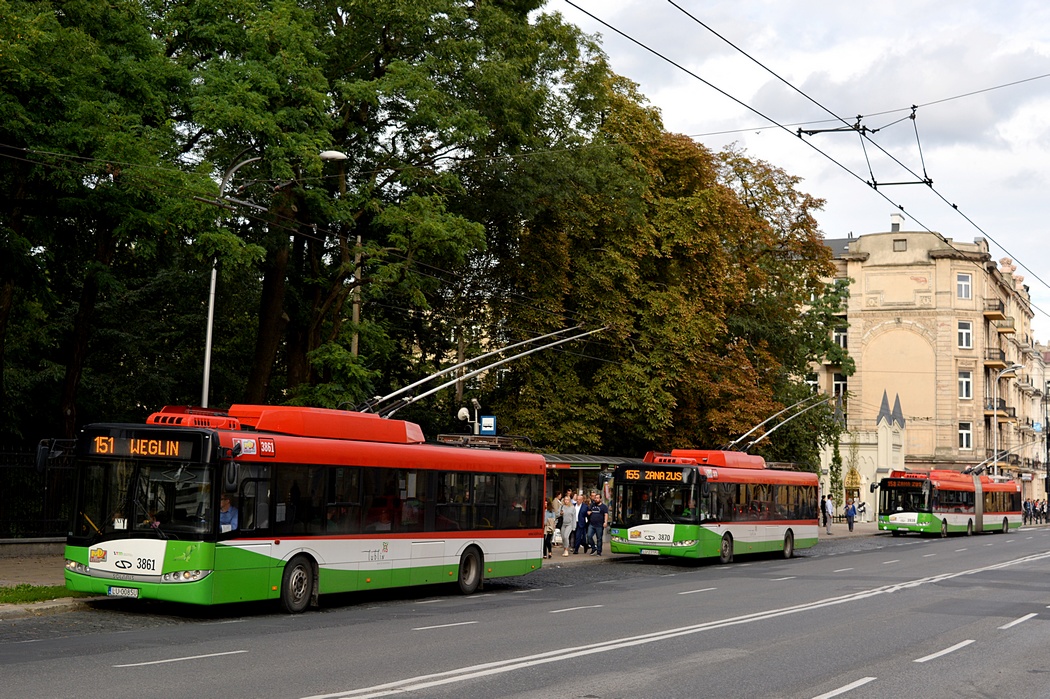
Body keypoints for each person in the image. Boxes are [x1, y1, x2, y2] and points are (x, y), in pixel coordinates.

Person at [587, 491, 610, 556]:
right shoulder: (592, 505)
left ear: (600, 499)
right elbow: (589, 511)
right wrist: (589, 512)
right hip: (592, 524)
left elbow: (606, 514)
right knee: (588, 536)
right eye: (595, 498)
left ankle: (599, 551)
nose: (596, 499)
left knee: (599, 538)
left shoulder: (604, 507)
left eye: (597, 498)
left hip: (599, 525)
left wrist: (605, 522)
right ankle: (593, 548)